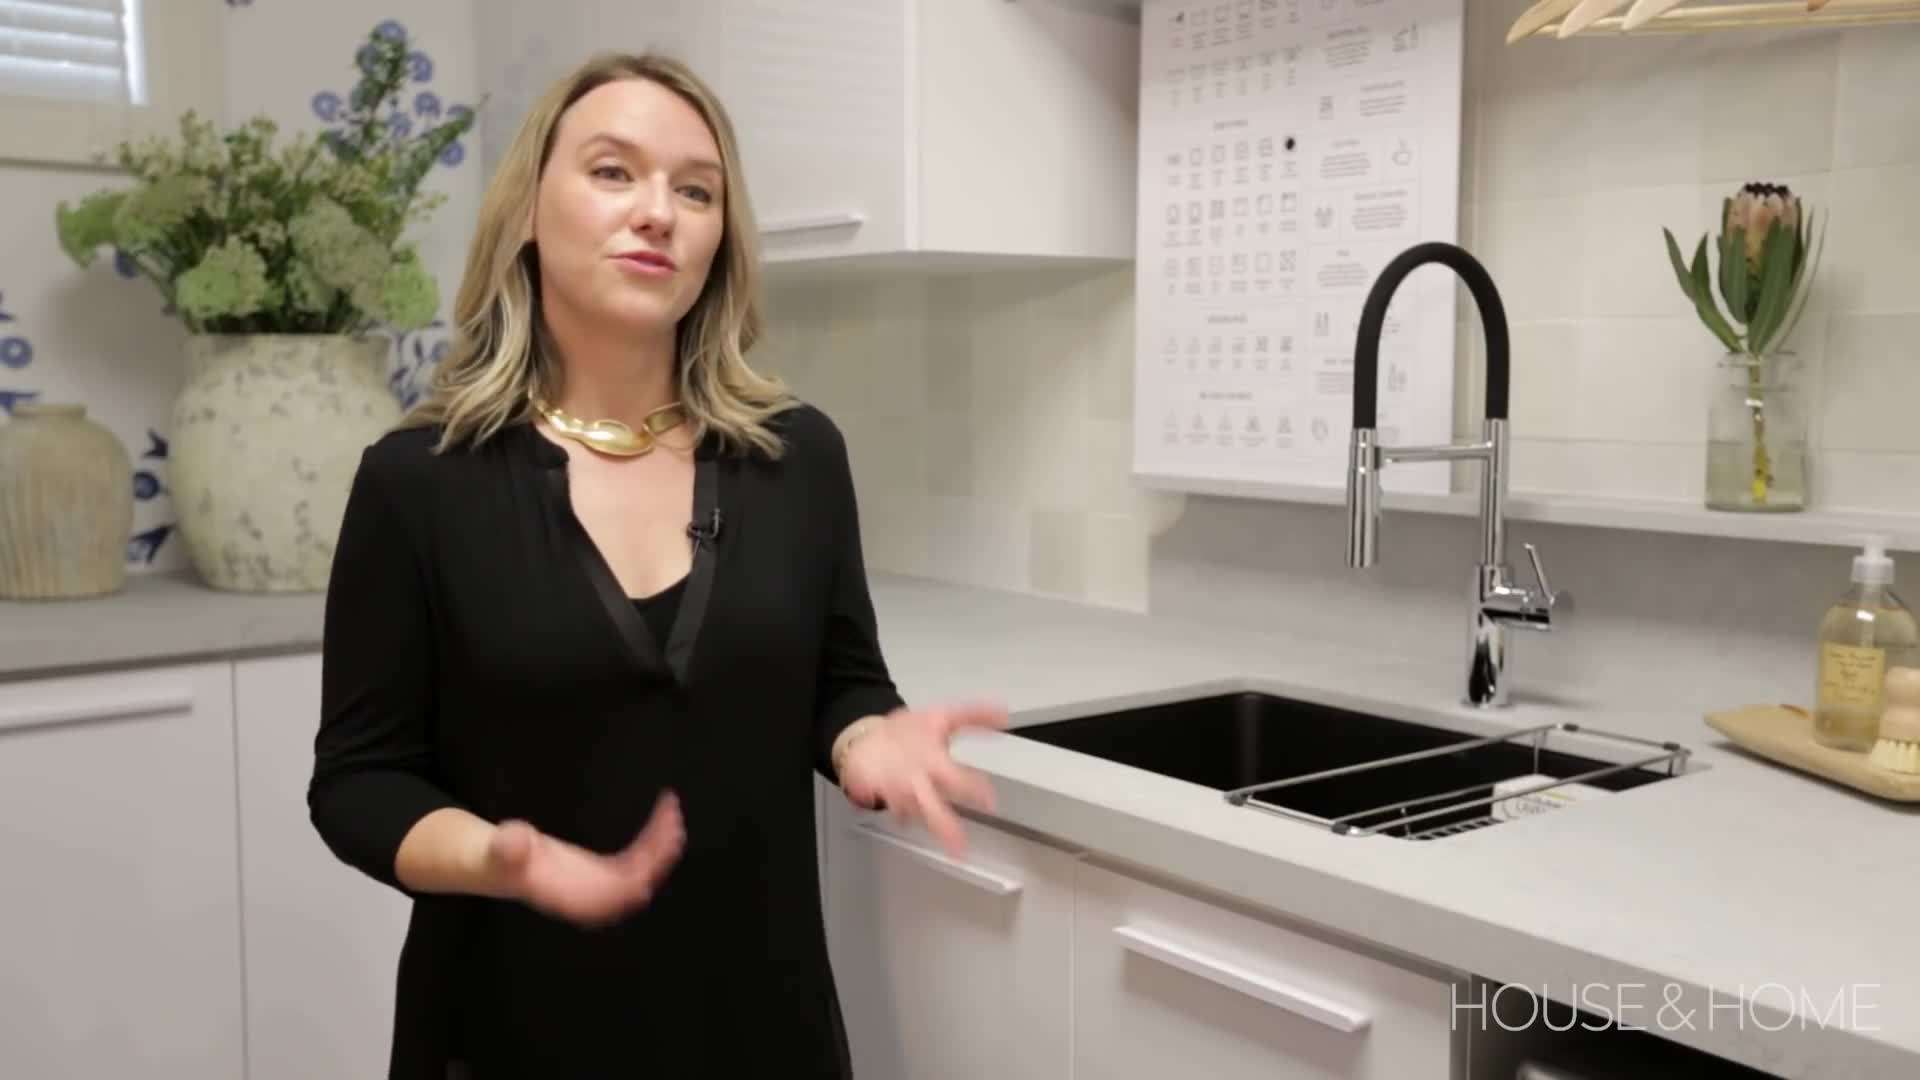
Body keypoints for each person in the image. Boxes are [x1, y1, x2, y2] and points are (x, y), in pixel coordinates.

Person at [307, 50, 1008, 1079]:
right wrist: (498, 858)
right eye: (611, 172)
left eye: (696, 189)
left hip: (761, 1028)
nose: (658, 212)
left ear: (721, 239)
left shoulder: (797, 456)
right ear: (528, 210)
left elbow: (843, 683)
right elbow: (359, 783)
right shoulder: (420, 481)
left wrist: (866, 744)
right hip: (506, 1031)